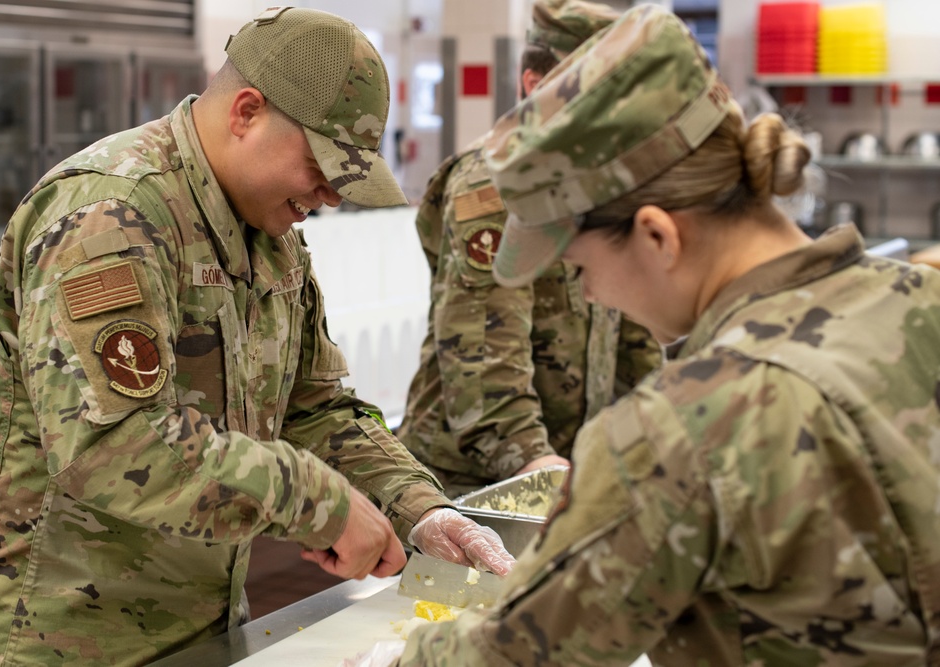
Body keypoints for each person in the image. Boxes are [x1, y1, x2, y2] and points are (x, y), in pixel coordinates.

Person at [352, 5, 940, 665]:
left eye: (580, 268)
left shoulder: (684, 428)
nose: (592, 295)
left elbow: (520, 652)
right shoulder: (921, 301)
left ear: (657, 235)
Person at [0, 8, 515, 666]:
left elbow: (315, 406)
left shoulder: (273, 240)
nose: (330, 195)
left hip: (203, 625)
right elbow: (111, 446)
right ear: (246, 111)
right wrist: (318, 500)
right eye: (322, 165)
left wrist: (419, 507)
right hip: (64, 643)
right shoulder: (110, 214)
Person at [398, 0, 661, 498]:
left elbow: (634, 334)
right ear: (536, 87)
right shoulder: (497, 186)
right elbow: (481, 352)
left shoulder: (605, 178)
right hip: (471, 482)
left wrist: (649, 438)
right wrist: (539, 467)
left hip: (565, 465)